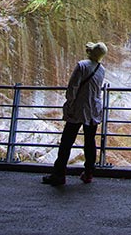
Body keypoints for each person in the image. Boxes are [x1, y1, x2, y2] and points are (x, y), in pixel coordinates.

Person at [43, 41, 108, 186]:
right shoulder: (101, 69)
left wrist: (69, 104)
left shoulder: (82, 66)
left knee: (66, 141)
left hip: (78, 108)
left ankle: (59, 175)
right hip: (93, 110)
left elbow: (72, 87)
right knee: (90, 142)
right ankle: (89, 173)